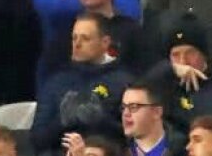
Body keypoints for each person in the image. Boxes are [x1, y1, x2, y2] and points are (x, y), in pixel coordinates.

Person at [30, 14, 134, 154]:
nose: (77, 44)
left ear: (105, 42)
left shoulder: (124, 82)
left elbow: (136, 136)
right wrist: (62, 120)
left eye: (85, 38)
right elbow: (37, 140)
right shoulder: (56, 82)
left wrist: (101, 120)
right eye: (74, 38)